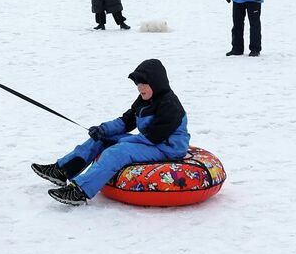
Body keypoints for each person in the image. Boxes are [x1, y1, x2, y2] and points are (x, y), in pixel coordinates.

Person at [31, 59, 189, 206]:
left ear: (156, 82)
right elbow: (125, 121)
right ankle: (61, 171)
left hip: (166, 148)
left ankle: (80, 191)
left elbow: (154, 136)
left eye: (144, 83)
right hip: (150, 142)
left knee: (118, 151)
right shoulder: (143, 100)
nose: (140, 88)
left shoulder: (170, 105)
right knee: (101, 138)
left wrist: (122, 142)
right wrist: (102, 130)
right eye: (137, 84)